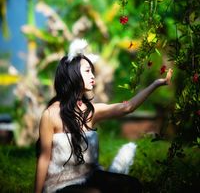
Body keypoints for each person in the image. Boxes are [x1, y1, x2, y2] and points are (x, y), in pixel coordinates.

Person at [34, 39, 173, 193]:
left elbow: (127, 107)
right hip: (60, 185)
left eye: (92, 71)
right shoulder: (50, 115)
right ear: (72, 74)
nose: (93, 76)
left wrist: (156, 84)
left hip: (90, 177)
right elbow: (44, 158)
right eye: (87, 71)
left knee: (132, 185)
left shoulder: (91, 111)